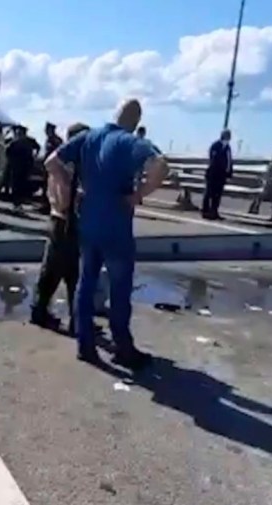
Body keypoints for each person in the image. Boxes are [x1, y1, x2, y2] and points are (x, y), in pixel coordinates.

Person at [45, 99, 169, 367]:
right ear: (136, 121)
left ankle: (85, 344)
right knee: (119, 286)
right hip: (116, 225)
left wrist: (71, 187)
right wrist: (138, 195)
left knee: (85, 282)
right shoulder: (131, 142)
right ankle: (123, 346)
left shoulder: (90, 136)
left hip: (88, 221)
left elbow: (52, 162)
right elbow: (161, 165)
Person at [30, 122, 90, 332]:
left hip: (60, 220)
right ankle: (70, 318)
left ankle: (43, 311)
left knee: (55, 271)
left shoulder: (65, 161)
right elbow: (64, 198)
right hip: (65, 220)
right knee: (69, 273)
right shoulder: (65, 164)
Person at [5, 125, 40, 212]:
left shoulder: (27, 141)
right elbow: (6, 151)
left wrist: (35, 155)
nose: (19, 133)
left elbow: (38, 147)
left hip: (23, 167)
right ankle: (17, 203)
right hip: (16, 167)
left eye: (20, 132)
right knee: (16, 186)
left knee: (20, 186)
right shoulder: (14, 142)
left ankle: (18, 203)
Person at [203, 129, 233, 220]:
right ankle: (206, 211)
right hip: (213, 173)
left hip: (222, 174)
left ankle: (214, 211)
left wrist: (229, 172)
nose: (228, 137)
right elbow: (213, 159)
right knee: (209, 192)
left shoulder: (228, 147)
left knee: (218, 194)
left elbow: (229, 161)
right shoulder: (215, 145)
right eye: (227, 135)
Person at [40, 122, 63, 213]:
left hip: (53, 167)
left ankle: (48, 206)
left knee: (51, 186)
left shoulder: (56, 140)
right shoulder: (48, 140)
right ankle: (44, 205)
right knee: (45, 186)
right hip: (47, 165)